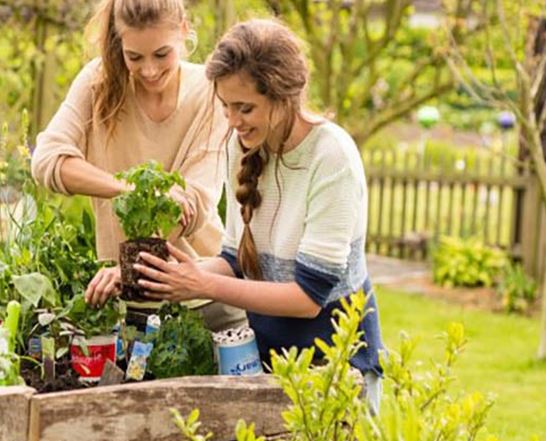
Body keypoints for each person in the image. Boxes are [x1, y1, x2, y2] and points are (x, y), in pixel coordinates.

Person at [133, 18, 384, 410]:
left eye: (244, 107)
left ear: (284, 97)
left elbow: (308, 298)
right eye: (226, 107)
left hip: (337, 366)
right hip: (268, 360)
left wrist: (202, 284)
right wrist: (174, 274)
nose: (232, 121)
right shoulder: (245, 146)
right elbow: (234, 260)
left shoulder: (331, 157)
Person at [30, 0, 246, 331]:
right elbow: (46, 160)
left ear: (184, 32)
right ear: (119, 44)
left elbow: (195, 205)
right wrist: (128, 189)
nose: (149, 70)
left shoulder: (209, 92)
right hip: (124, 304)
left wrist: (130, 267)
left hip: (204, 299)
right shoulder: (97, 83)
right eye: (134, 57)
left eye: (162, 54)